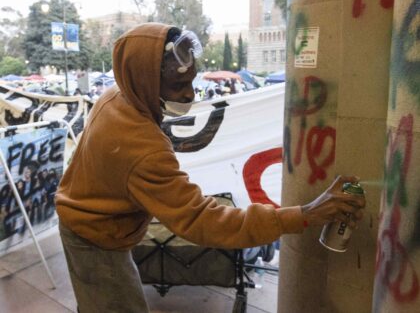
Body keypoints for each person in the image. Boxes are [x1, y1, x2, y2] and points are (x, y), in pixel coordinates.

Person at [55, 23, 365, 313]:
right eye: (178, 85)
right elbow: (204, 222)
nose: (189, 93)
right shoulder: (141, 145)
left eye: (191, 80)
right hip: (94, 238)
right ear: (146, 81)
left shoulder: (118, 95)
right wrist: (305, 214)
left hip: (85, 223)